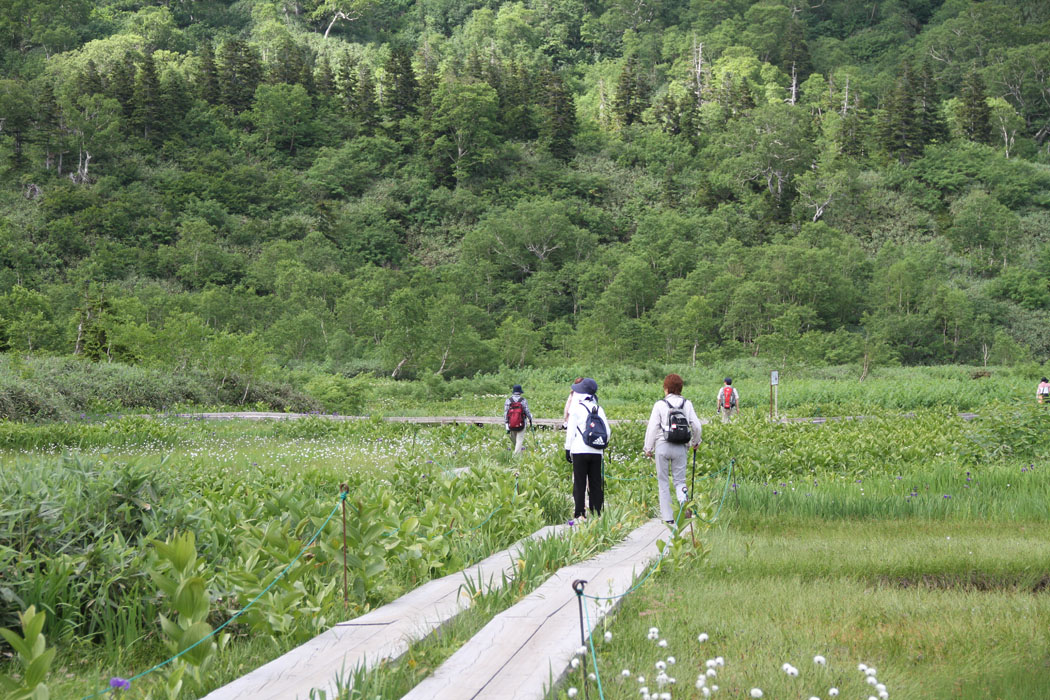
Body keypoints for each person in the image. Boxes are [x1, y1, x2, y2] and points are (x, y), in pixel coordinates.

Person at [644, 374, 703, 525]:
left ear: (666, 388)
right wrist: (696, 441)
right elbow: (696, 425)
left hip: (662, 445)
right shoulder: (687, 404)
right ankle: (684, 506)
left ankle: (668, 517)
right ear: (680, 387)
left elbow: (652, 428)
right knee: (680, 481)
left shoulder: (660, 404)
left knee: (663, 481)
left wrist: (648, 448)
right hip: (680, 447)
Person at [564, 377, 609, 520]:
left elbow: (570, 432)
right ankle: (596, 514)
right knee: (595, 483)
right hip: (596, 452)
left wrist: (567, 449)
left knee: (580, 483)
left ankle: (579, 514)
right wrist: (601, 446)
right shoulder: (598, 408)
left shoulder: (576, 409)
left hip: (579, 450)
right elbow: (607, 432)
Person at [504, 384, 533, 453]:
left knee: (514, 438)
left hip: (511, 423)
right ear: (520, 392)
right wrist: (530, 418)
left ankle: (519, 452)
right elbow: (527, 411)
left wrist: (506, 423)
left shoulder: (508, 400)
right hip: (521, 423)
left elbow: (506, 413)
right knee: (519, 439)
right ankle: (516, 456)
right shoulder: (523, 400)